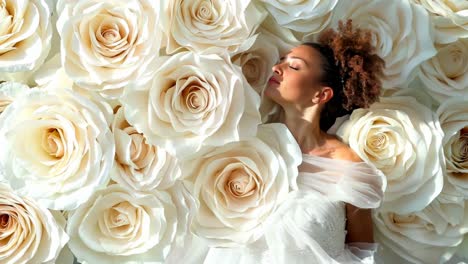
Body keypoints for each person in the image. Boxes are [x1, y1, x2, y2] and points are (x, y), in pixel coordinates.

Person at [201, 19, 387, 264]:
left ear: (321, 94)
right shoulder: (252, 146)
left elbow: (361, 251)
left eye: (295, 67)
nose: (277, 69)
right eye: (280, 62)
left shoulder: (349, 166)